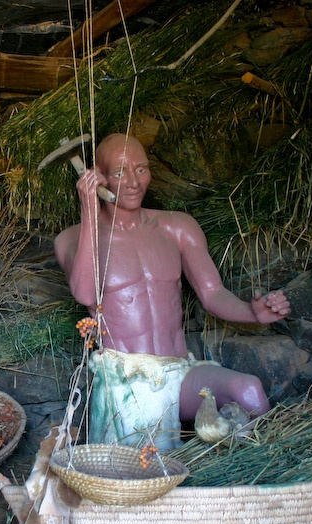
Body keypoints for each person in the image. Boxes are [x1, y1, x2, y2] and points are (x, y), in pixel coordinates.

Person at [54, 133, 290, 449]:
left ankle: (262, 468)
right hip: (127, 385)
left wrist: (252, 312)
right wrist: (89, 212)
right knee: (151, 465)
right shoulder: (71, 239)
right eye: (121, 172)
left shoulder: (177, 227)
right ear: (100, 178)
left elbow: (213, 293)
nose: (134, 182)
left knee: (248, 391)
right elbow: (85, 294)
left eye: (141, 169)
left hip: (179, 372)